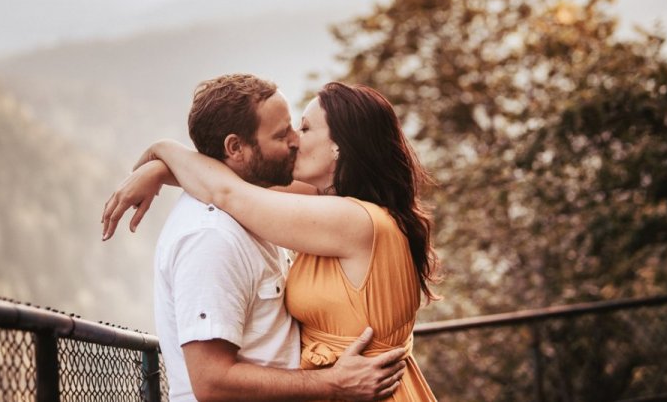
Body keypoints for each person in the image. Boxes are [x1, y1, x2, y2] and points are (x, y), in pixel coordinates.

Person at [103, 79, 440, 401]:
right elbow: (238, 179)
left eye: (305, 128)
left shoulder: (352, 220)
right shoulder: (333, 205)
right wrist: (161, 170)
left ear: (340, 146)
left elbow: (229, 192)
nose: (294, 139)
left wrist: (162, 150)